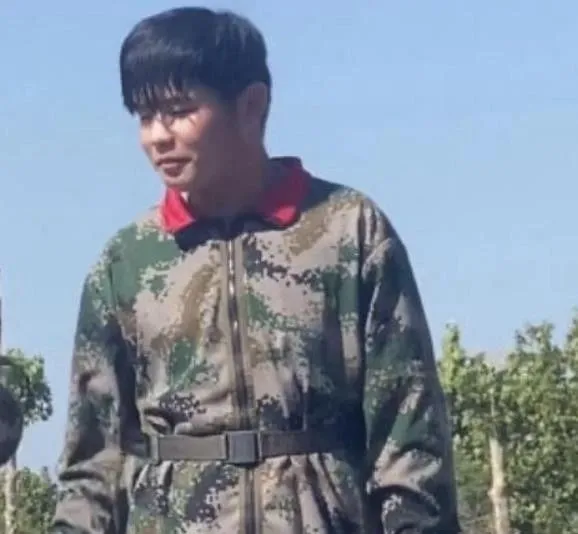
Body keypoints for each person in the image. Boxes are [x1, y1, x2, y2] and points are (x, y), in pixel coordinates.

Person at [50, 6, 461, 534]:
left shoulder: (347, 232)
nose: (157, 137)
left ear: (251, 106)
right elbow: (92, 465)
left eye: (179, 111)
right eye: (145, 116)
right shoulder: (125, 262)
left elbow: (408, 429)